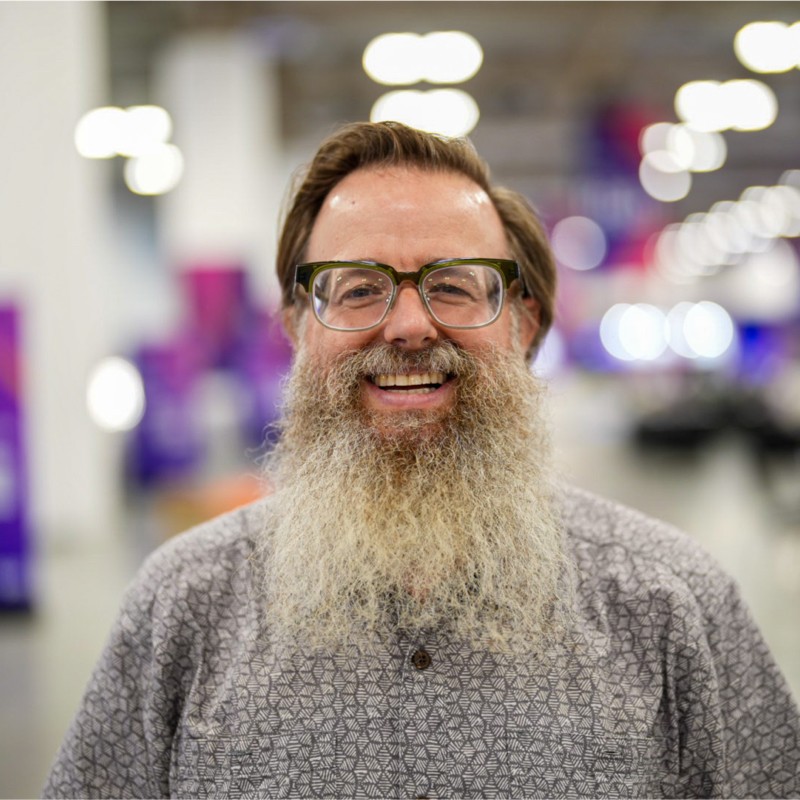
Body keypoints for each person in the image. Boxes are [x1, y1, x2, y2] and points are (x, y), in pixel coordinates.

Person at [44, 121, 799, 799]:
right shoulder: (183, 604)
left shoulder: (670, 603)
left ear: (525, 323)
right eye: (358, 289)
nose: (409, 325)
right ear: (298, 328)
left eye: (453, 285)